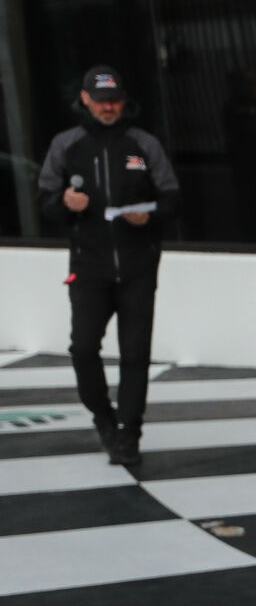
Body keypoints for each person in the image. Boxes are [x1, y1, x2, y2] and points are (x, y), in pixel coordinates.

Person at [36, 66, 181, 465]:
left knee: (136, 353)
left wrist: (148, 216)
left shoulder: (143, 144)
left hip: (138, 264)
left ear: (124, 98)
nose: (109, 107)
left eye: (115, 99)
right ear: (85, 100)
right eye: (101, 101)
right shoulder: (67, 144)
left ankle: (130, 432)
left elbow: (171, 197)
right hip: (89, 265)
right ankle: (103, 416)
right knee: (82, 347)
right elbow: (45, 200)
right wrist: (65, 203)